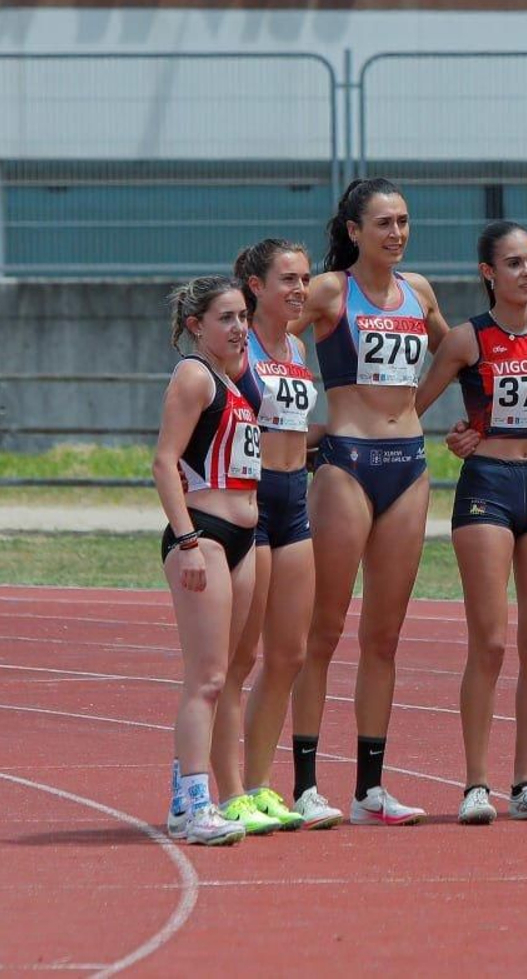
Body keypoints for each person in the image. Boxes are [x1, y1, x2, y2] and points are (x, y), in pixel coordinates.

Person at [290, 178, 451, 826]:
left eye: (404, 222)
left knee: (383, 637)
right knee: (323, 632)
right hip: (346, 467)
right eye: (383, 223)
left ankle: (370, 790)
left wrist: (432, 410)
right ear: (354, 231)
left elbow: (461, 350)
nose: (396, 233)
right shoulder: (330, 291)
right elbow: (264, 337)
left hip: (409, 468)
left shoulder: (420, 292)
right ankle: (304, 785)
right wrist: (296, 421)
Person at [415, 221, 527, 824]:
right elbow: (411, 409)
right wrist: (452, 440)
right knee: (490, 641)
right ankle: (476, 785)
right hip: (488, 488)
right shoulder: (466, 340)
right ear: (489, 273)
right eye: (514, 263)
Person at [213, 240, 326, 836]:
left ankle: (258, 787)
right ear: (255, 286)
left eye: (305, 278)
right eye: (288, 278)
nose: (300, 289)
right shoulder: (239, 349)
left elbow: (293, 429)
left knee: (289, 654)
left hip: (295, 501)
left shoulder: (297, 347)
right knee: (239, 656)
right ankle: (225, 789)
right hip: (249, 507)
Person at [154, 276, 261, 846]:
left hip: (243, 538)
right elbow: (164, 461)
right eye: (225, 317)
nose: (239, 327)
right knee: (208, 678)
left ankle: (182, 799)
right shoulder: (195, 375)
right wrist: (188, 539)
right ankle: (198, 806)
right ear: (197, 326)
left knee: (226, 675)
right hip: (206, 536)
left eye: (243, 315)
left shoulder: (232, 380)